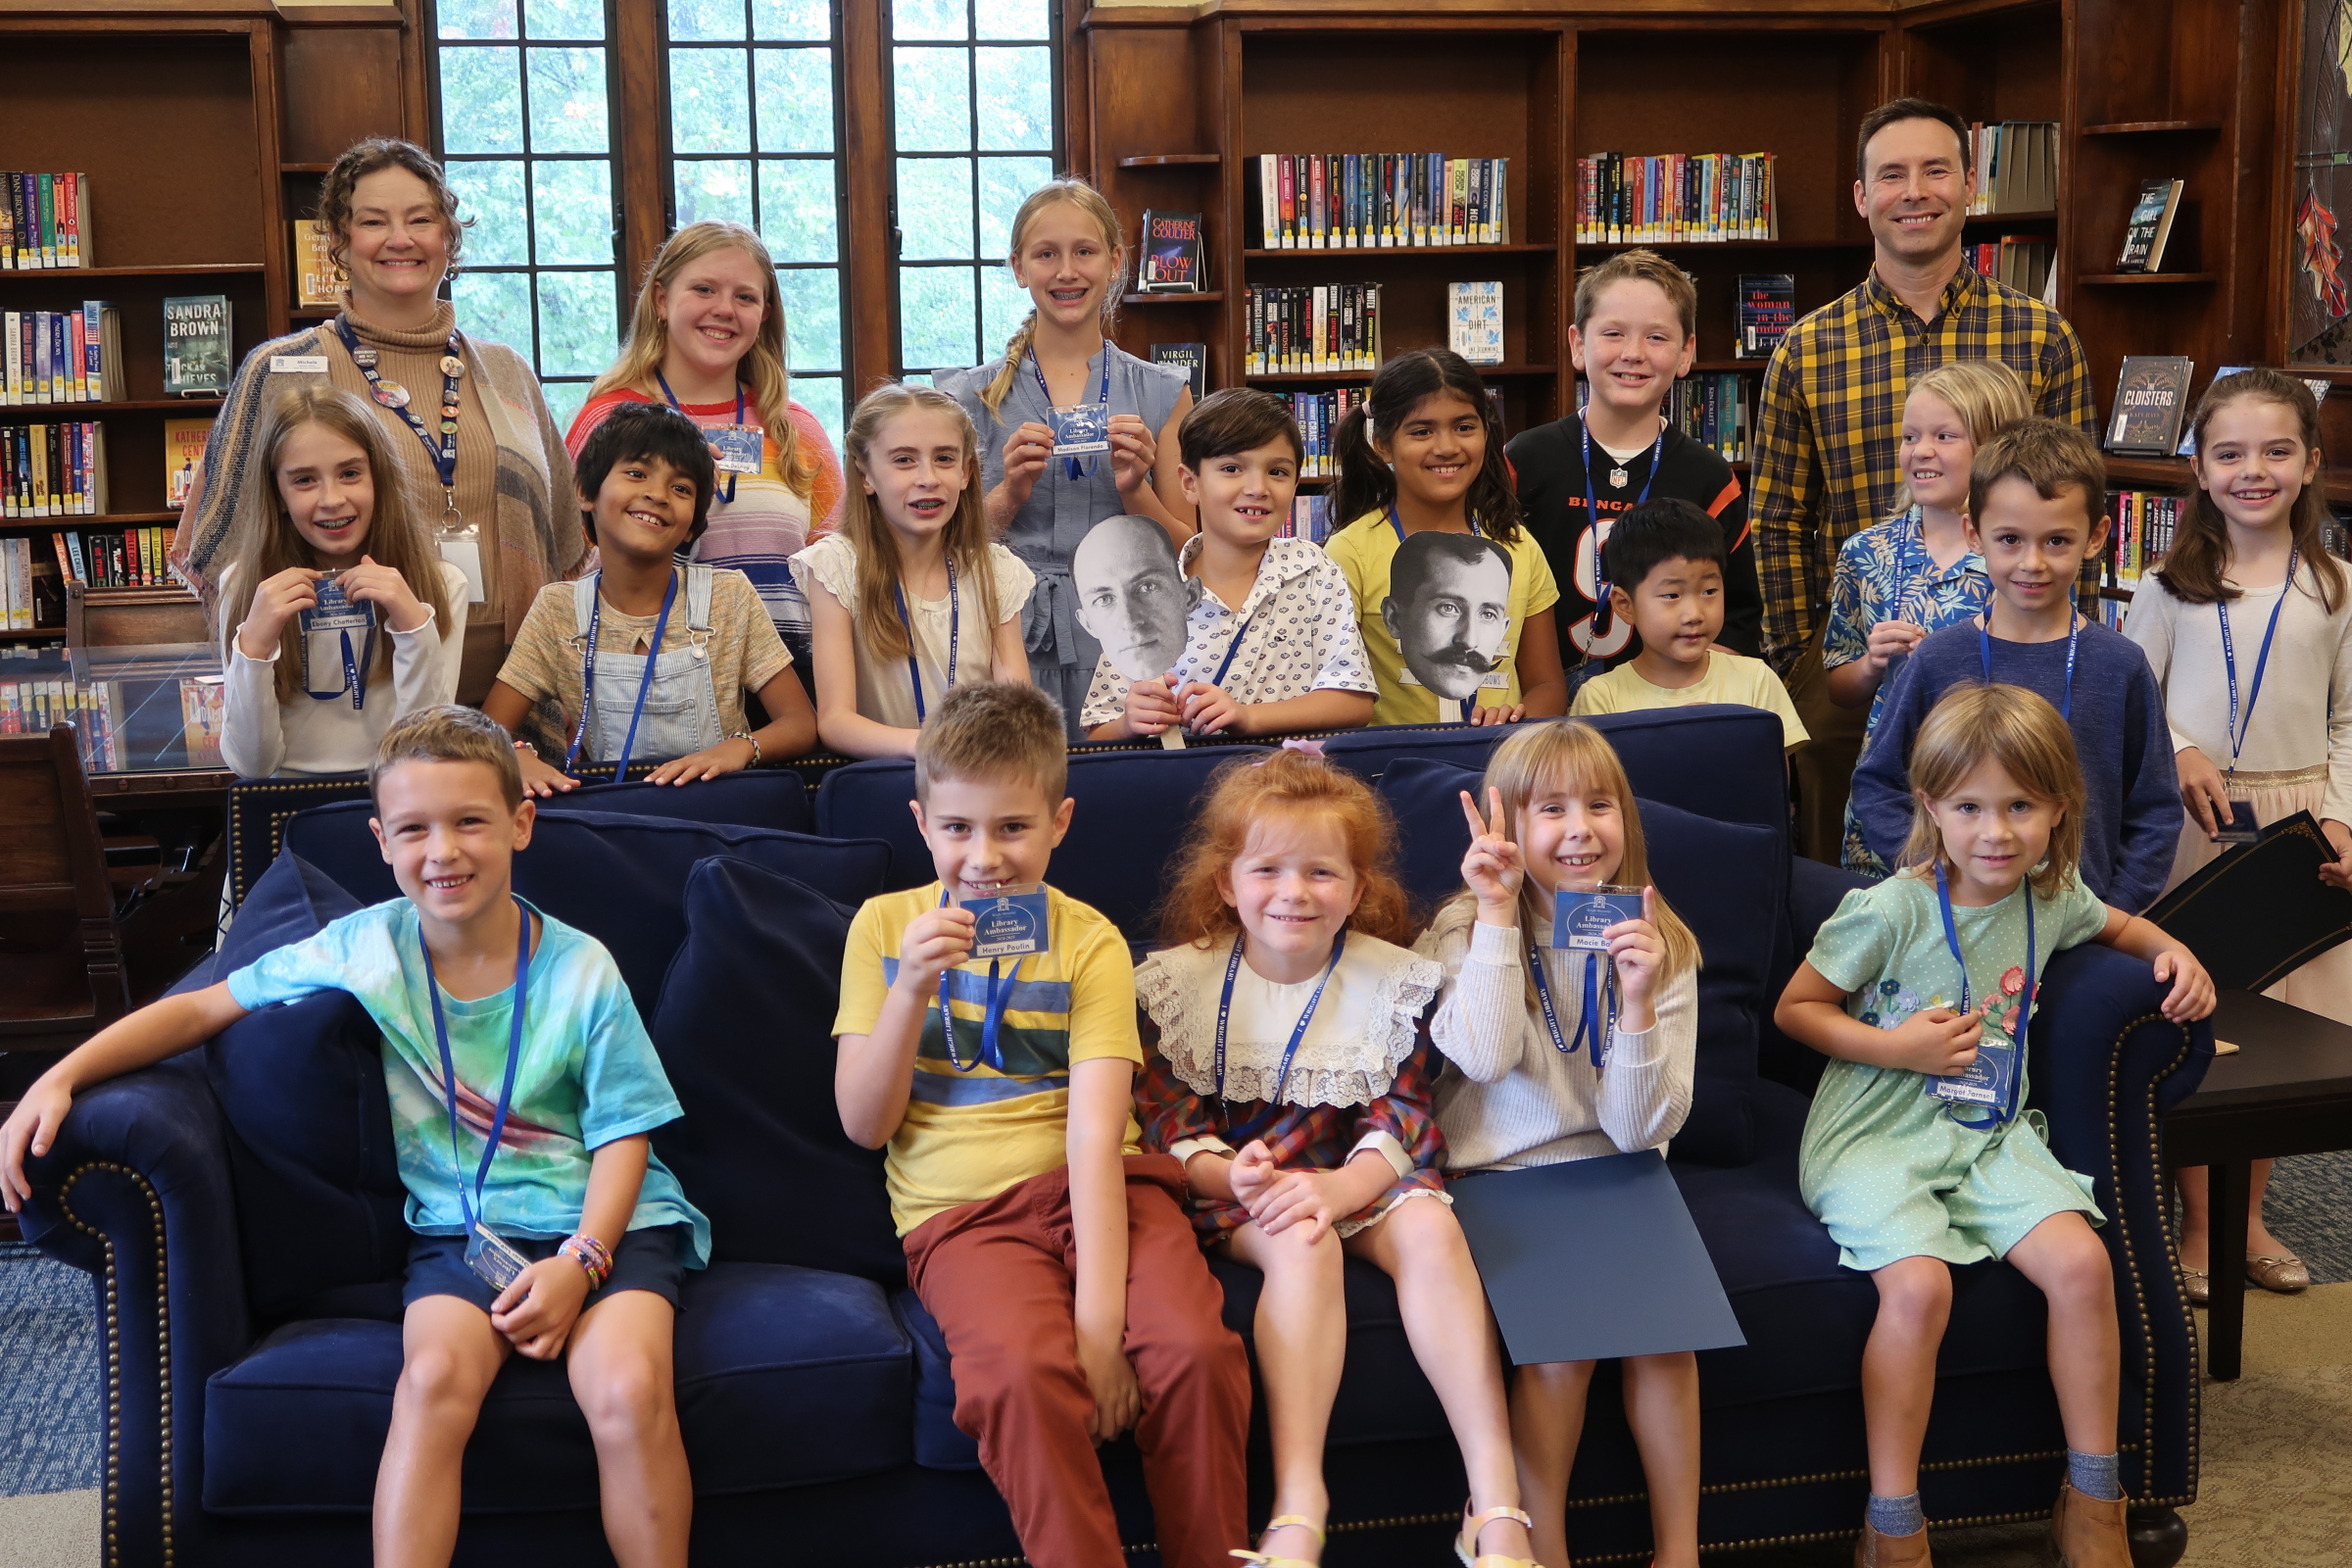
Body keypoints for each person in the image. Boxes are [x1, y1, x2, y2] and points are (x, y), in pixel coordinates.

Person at [2, 706, 710, 1568]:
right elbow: (203, 1005)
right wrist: (61, 1074)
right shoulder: (366, 947)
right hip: (463, 1228)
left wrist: (584, 1261)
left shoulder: (581, 967)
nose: (442, 851)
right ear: (381, 839)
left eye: (470, 822)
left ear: (521, 821)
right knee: (432, 1384)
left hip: (610, 1222)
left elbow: (625, 1134)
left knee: (630, 1392)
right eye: (414, 829)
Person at [1774, 683, 2213, 1568]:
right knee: (1920, 1288)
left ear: (2059, 809)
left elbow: (2119, 924)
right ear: (1932, 809)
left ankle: (2094, 1499)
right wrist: (1893, 1047)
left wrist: (2177, 951)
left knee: (2084, 1265)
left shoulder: (2049, 900)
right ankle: (1892, 1521)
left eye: (2021, 806)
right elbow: (1796, 1008)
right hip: (1875, 1130)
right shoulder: (1890, 908)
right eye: (1970, 807)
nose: (1996, 832)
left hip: (1986, 1133)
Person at [832, 681, 1250, 1568]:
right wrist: (910, 988)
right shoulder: (881, 929)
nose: (984, 858)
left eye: (1013, 828)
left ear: (1060, 821)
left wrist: (1101, 1333)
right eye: (958, 829)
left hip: (1107, 1189)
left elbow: (1097, 1138)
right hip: (964, 1218)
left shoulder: (1090, 940)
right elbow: (865, 1126)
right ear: (921, 822)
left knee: (1192, 1352)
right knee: (1021, 1378)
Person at [1134, 750, 1543, 1568]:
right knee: (1299, 1235)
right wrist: (1236, 1176)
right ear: (1226, 884)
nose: (1295, 892)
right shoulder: (1177, 984)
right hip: (1243, 1188)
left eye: (1322, 872)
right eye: (1269, 870)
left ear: (1357, 891)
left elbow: (1405, 1110)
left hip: (1363, 1171)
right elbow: (1167, 1120)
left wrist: (1346, 1186)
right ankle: (1298, 1506)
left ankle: (1496, 1503)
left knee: (1430, 1226)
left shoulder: (1389, 980)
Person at [1748, 97, 2095, 862]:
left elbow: (2076, 497)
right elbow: (1776, 520)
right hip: (1858, 658)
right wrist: (1805, 655)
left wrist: (2065, 639)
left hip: (2011, 648)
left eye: (1936, 170)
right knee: (1859, 864)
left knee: (2009, 849)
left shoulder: (2042, 336)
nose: (1915, 191)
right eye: (1892, 175)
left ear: (1969, 185)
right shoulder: (1807, 348)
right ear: (1861, 197)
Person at [1420, 721, 1711, 1568]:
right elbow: (1479, 1055)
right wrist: (1498, 916)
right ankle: (1537, 1551)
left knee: (1667, 1343)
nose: (1581, 829)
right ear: (1504, 825)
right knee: (1563, 1357)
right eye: (1551, 809)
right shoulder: (1458, 929)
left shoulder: (1662, 942)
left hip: (1619, 1166)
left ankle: (1680, 1553)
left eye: (1599, 805)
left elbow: (1642, 1127)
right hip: (1504, 1172)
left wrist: (1639, 999)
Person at [176, 137, 583, 704]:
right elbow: (225, 550)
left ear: (448, 237)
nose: (401, 239)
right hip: (356, 693)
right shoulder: (282, 372)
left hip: (511, 691)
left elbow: (565, 543)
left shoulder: (508, 371)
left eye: (421, 219)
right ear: (341, 242)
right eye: (374, 221)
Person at [2124, 368, 2352, 1303]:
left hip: (2302, 831)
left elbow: (2350, 720)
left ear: (2309, 465)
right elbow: (2130, 704)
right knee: (2204, 1025)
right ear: (2200, 470)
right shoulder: (2167, 586)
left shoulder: (2338, 588)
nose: (2252, 470)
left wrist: (2342, 812)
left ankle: (2247, 1217)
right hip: (2196, 825)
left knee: (2284, 1033)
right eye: (2229, 454)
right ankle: (2195, 1221)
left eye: (2275, 451)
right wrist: (2179, 750)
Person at [1851, 420, 2180, 912]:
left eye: (2056, 541)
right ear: (1974, 534)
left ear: (2096, 538)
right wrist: (1936, 869)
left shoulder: (2121, 666)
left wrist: (2113, 913)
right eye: (2009, 539)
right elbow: (1877, 783)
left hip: (2083, 929)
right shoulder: (1939, 660)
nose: (2032, 562)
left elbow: (2154, 810)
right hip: (1959, 920)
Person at [941, 177, 1196, 738]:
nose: (1066, 271)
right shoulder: (968, 398)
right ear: (1018, 267)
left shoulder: (1162, 392)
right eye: (1046, 254)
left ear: (1114, 262)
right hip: (1002, 635)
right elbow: (941, 548)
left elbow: (1191, 551)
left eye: (1084, 251)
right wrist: (1009, 493)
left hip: (1128, 641)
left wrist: (1136, 489)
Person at [482, 402, 817, 794]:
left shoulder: (730, 597)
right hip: (616, 818)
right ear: (585, 492)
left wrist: (740, 749)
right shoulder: (557, 610)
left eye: (681, 488)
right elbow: (489, 730)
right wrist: (516, 753)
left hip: (720, 812)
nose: (658, 495)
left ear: (693, 523)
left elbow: (800, 724)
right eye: (637, 473)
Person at [569, 220, 847, 677]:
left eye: (745, 297)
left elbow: (839, 568)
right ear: (661, 300)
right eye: (703, 289)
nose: (724, 309)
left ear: (764, 314)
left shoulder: (796, 428)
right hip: (648, 684)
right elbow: (571, 570)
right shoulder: (607, 423)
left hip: (791, 694)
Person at [1506, 249, 1758, 672]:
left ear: (1685, 353)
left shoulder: (1709, 478)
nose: (1634, 352)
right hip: (1539, 712)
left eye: (1657, 337)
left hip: (1659, 713)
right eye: (1613, 334)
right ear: (1577, 344)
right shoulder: (1524, 460)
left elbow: (1738, 623)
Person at [1824, 360, 2032, 873]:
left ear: (1993, 448)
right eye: (1910, 436)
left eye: (1944, 435)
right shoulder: (1864, 552)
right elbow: (1838, 686)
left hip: (1992, 799)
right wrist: (1870, 664)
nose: (1921, 451)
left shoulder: (2019, 559)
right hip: (1887, 799)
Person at [1083, 389, 1375, 740]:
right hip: (1188, 787)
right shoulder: (1147, 587)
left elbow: (1354, 701)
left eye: (1277, 472)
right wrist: (1131, 723)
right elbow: (1098, 731)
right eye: (1232, 468)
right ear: (1190, 483)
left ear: (1296, 483)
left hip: (1291, 786)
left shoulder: (1313, 570)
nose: (1257, 487)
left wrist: (1248, 717)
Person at [214, 384, 467, 778]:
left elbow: (426, 752)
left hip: (396, 800)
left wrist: (413, 628)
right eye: (304, 481)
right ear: (278, 494)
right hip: (287, 807)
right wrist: (255, 646)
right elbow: (252, 765)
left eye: (350, 473)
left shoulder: (442, 584)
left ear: (379, 479)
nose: (331, 499)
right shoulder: (244, 586)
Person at [1325, 349, 1567, 726]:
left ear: (1486, 434)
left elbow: (1548, 684)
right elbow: (1336, 692)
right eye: (1422, 431)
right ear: (1383, 443)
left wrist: (1517, 718)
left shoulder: (1519, 546)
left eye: (1464, 427)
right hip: (1393, 772)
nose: (1447, 447)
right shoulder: (1350, 552)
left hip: (1501, 767)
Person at [792, 384, 1033, 760]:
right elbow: (837, 721)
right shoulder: (836, 567)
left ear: (967, 472)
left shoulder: (995, 571)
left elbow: (1018, 709)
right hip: (887, 779)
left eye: (945, 459)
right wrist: (930, 745)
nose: (928, 478)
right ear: (865, 475)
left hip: (979, 776)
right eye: (904, 460)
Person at [1571, 498, 1807, 752]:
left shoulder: (1756, 679)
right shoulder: (1601, 698)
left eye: (1709, 591)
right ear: (1625, 605)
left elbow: (1774, 782)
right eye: (1672, 595)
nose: (1694, 614)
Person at [1073, 514, 1191, 687]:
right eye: (1104, 599)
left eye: (1147, 587)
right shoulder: (1102, 698)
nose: (1130, 621)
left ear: (1190, 595)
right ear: (1088, 624)